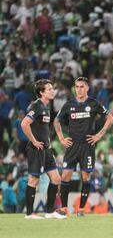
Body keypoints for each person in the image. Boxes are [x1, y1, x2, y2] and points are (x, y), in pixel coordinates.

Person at [54, 77, 113, 216]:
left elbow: (111, 118)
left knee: (86, 177)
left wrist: (99, 135)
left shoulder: (94, 103)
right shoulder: (68, 105)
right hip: (72, 145)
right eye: (77, 86)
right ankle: (64, 209)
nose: (79, 89)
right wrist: (61, 138)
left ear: (87, 88)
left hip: (87, 145)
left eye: (82, 86)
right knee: (66, 175)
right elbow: (56, 121)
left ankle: (81, 209)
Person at [21, 79, 66, 219]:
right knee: (34, 179)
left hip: (46, 148)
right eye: (49, 89)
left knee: (56, 178)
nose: (53, 90)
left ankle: (50, 211)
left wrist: (48, 144)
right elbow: (24, 124)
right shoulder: (36, 106)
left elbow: (43, 129)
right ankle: (29, 214)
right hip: (36, 148)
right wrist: (34, 141)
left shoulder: (46, 107)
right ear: (41, 92)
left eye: (52, 88)